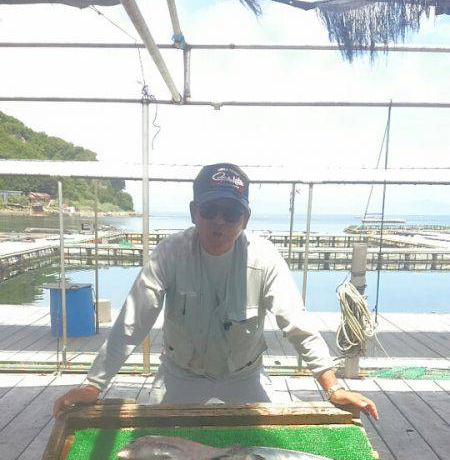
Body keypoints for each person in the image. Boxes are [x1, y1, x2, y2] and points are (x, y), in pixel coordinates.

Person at [53, 163, 378, 419]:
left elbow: (297, 324)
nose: (218, 222)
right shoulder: (169, 253)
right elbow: (132, 323)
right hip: (181, 373)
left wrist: (332, 387)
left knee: (262, 451)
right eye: (209, 211)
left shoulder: (265, 259)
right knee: (157, 444)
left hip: (244, 375)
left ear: (245, 218)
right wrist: (94, 385)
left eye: (231, 213)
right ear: (194, 212)